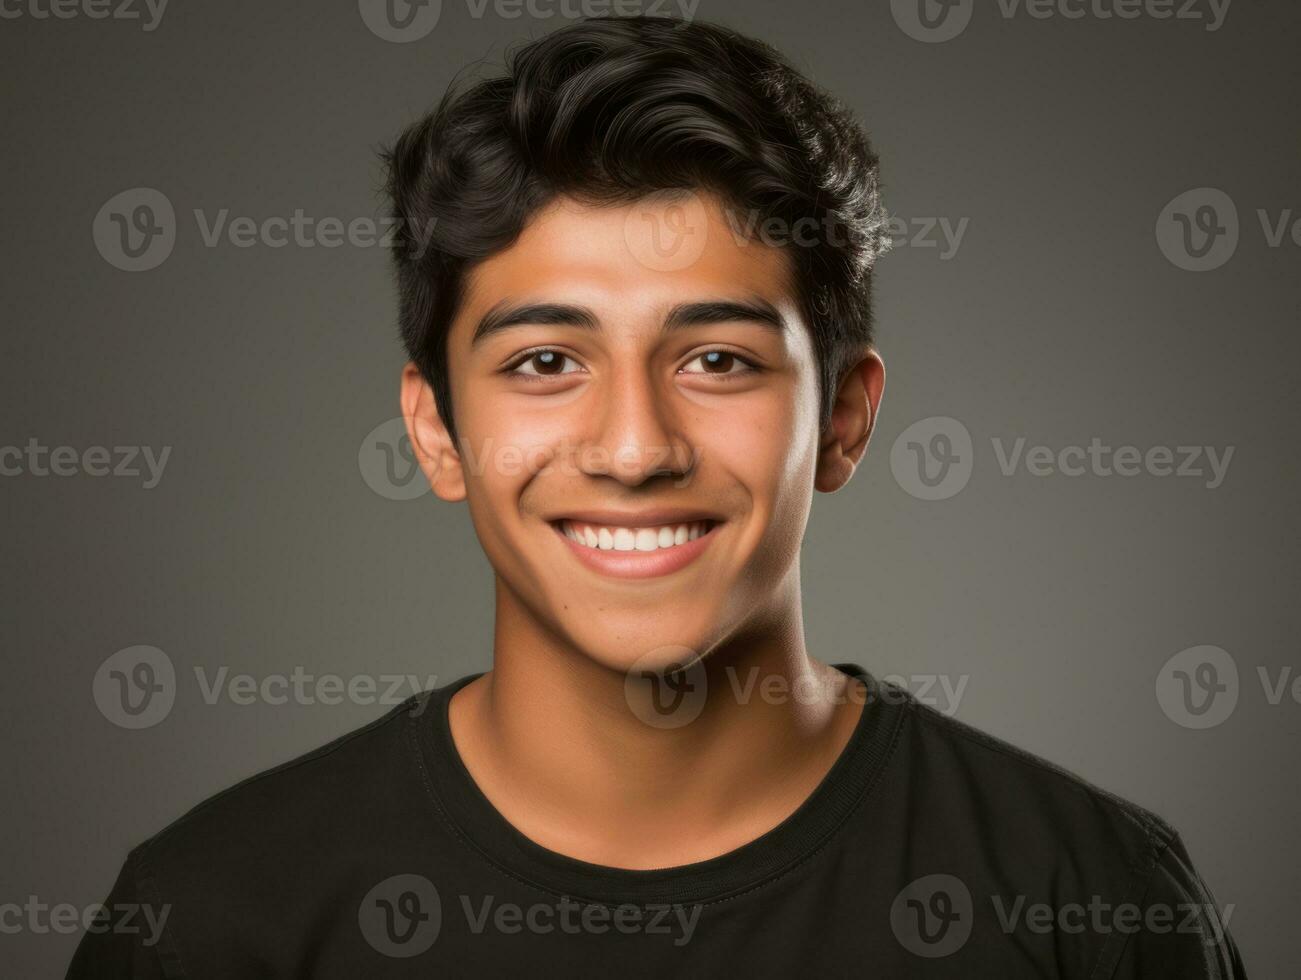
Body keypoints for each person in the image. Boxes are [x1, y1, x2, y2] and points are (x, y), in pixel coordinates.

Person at [68, 15, 1246, 977]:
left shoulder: (1086, 900)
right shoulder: (213, 920)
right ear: (435, 429)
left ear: (841, 417)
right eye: (544, 361)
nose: (633, 448)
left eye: (716, 358)